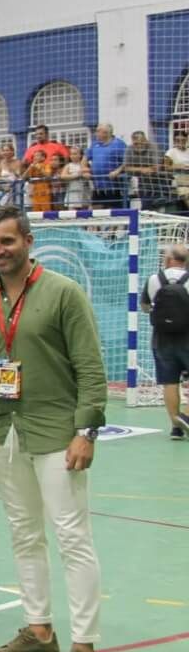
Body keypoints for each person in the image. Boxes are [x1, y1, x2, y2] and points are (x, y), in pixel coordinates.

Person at [0, 206, 107, 652]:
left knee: (72, 537)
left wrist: (86, 431)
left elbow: (90, 367)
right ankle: (39, 630)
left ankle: (86, 650)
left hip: (56, 434)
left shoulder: (63, 293)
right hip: (2, 431)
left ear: (28, 241)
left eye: (7, 241)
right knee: (24, 533)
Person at [141, 243, 189, 439]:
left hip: (161, 338)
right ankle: (186, 416)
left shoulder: (154, 279)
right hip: (187, 336)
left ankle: (176, 427)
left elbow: (145, 307)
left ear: (168, 260)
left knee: (170, 382)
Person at [123, 129, 170, 207]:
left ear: (145, 140)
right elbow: (126, 168)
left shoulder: (154, 147)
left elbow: (157, 167)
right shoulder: (129, 149)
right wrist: (141, 169)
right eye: (136, 144)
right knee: (146, 209)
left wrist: (136, 168)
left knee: (160, 208)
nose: (139, 146)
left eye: (141, 143)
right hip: (143, 184)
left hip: (160, 183)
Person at [87, 124, 127, 208]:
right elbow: (83, 161)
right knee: (96, 212)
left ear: (106, 133)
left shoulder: (119, 144)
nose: (96, 133)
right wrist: (85, 171)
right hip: (98, 187)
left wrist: (117, 171)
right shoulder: (94, 144)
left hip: (114, 187)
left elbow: (127, 161)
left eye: (98, 131)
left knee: (115, 212)